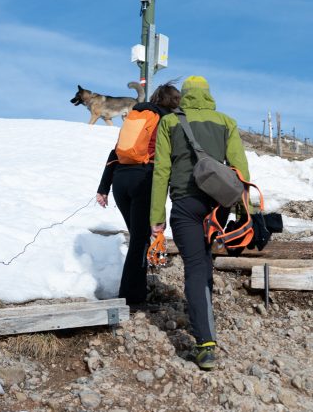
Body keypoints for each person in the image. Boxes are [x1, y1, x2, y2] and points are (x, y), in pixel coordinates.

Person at [149, 76, 249, 370]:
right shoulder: (226, 122)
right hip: (218, 206)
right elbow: (240, 169)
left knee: (194, 265)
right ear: (208, 95)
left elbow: (161, 171)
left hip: (185, 205)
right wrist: (244, 212)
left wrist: (157, 219)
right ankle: (206, 325)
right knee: (204, 263)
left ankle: (205, 344)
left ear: (185, 97)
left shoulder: (169, 123)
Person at [97, 82, 181, 307]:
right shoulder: (166, 120)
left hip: (121, 181)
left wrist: (103, 187)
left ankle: (135, 290)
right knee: (140, 241)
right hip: (144, 180)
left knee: (139, 237)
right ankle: (131, 298)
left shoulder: (136, 116)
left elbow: (115, 151)